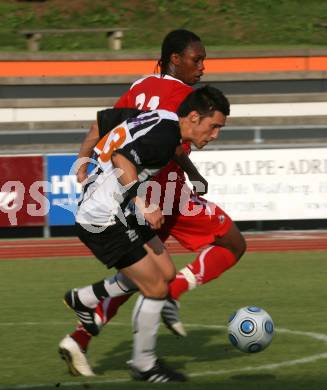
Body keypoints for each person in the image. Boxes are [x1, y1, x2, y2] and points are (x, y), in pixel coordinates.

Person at [59, 29, 246, 377]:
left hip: (131, 197)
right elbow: (151, 149)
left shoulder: (140, 87)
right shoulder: (184, 97)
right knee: (230, 243)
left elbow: (108, 127)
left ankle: (82, 332)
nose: (202, 67)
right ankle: (161, 310)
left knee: (144, 271)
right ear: (175, 59)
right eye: (197, 60)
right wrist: (150, 195)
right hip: (158, 195)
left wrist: (82, 163)